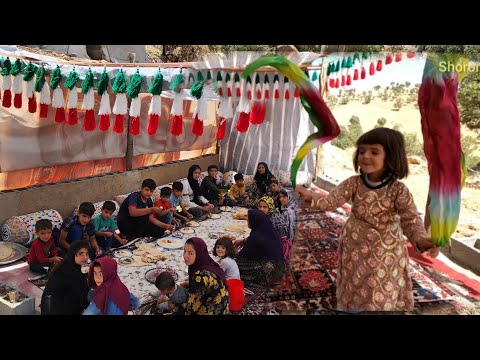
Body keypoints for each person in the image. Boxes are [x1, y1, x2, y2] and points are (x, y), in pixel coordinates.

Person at [295, 127, 439, 313]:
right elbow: (331, 200)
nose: (365, 156)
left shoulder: (398, 190)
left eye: (374, 152)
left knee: (379, 291)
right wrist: (310, 196)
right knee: (355, 283)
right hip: (354, 249)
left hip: (384, 254)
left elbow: (411, 220)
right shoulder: (354, 182)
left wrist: (422, 240)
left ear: (391, 156)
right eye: (362, 151)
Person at [233, 209, 285, 287]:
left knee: (234, 263)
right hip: (280, 266)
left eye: (248, 220)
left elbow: (243, 255)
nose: (247, 222)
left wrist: (231, 252)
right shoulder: (269, 230)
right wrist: (243, 241)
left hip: (269, 271)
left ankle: (261, 280)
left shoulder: (256, 237)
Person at [41, 240, 90, 315]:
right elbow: (83, 301)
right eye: (80, 254)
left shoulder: (63, 265)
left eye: (87, 254)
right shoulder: (74, 274)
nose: (85, 257)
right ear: (73, 254)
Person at [182, 237, 230, 315]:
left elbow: (192, 308)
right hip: (222, 308)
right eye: (184, 251)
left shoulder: (200, 276)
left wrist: (176, 307)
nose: (185, 256)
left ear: (199, 254)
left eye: (190, 253)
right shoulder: (208, 263)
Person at [271, 189, 298, 265]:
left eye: (284, 197)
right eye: (280, 197)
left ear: (289, 197)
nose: (281, 199)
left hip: (287, 240)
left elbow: (284, 231)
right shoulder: (293, 206)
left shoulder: (287, 212)